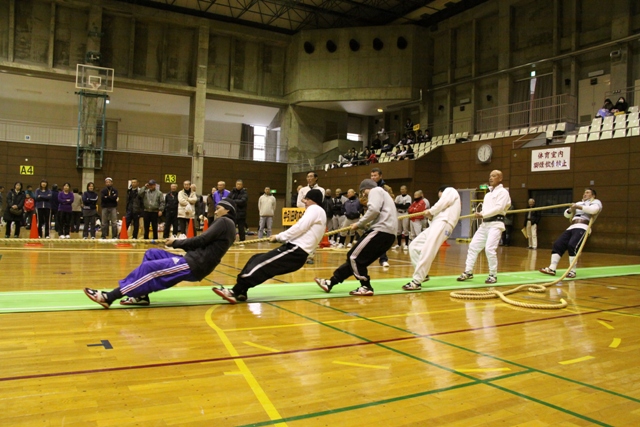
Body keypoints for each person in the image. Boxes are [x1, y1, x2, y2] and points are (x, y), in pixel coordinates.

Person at [84, 199, 238, 308]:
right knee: (152, 254)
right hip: (192, 259)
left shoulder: (224, 222)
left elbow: (200, 240)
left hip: (194, 264)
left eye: (219, 208)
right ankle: (141, 295)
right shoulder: (228, 225)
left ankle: (109, 297)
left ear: (228, 210)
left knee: (149, 269)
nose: (216, 210)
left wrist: (175, 243)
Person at [213, 190, 326, 304]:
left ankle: (235, 292)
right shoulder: (318, 212)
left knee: (261, 264)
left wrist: (279, 237)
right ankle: (242, 291)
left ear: (313, 200)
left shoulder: (315, 209)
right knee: (256, 259)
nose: (305, 202)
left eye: (307, 199)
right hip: (294, 250)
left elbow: (299, 227)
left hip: (296, 251)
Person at [315, 179, 397, 296]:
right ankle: (331, 282)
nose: (364, 195)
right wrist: (366, 225)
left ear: (365, 189)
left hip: (380, 232)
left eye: (363, 192)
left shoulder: (375, 190)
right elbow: (379, 215)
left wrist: (359, 224)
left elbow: (373, 210)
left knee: (353, 256)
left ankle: (366, 286)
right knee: (358, 261)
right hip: (387, 235)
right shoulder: (385, 196)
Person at [457, 170, 511, 284]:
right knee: (473, 246)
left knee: (489, 249)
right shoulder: (487, 194)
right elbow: (486, 210)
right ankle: (468, 271)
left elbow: (499, 208)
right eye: (490, 175)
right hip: (485, 224)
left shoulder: (503, 192)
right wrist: (480, 214)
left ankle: (493, 275)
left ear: (500, 178)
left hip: (496, 224)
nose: (491, 178)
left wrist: (482, 214)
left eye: (494, 176)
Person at [403, 186, 461, 290]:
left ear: (441, 192)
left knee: (427, 249)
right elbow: (433, 217)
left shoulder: (450, 191)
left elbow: (442, 203)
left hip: (444, 223)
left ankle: (416, 281)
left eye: (439, 194)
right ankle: (423, 275)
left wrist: (431, 211)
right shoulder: (443, 206)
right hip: (436, 224)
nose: (439, 197)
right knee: (414, 246)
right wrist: (429, 215)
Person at [539, 188, 602, 278]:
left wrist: (578, 207)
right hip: (572, 226)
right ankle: (552, 268)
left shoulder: (595, 202)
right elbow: (566, 214)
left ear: (593, 195)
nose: (584, 194)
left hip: (583, 226)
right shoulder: (578, 203)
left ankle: (572, 271)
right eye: (584, 192)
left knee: (572, 245)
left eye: (587, 193)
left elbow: (593, 210)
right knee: (558, 244)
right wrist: (570, 210)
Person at [296, 172, 325, 264]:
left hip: (315, 215)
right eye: (307, 176)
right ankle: (301, 255)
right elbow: (299, 203)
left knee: (313, 235)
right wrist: (307, 202)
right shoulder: (302, 190)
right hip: (304, 214)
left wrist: (305, 200)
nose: (309, 178)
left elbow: (319, 202)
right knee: (301, 235)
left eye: (311, 176)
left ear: (316, 178)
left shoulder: (321, 190)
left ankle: (311, 256)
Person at [371, 168, 390, 267]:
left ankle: (383, 259)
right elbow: (363, 200)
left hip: (383, 216)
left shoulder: (386, 188)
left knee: (382, 238)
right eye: (372, 176)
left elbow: (390, 200)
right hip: (371, 214)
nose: (373, 177)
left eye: (375, 175)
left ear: (380, 176)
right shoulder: (368, 186)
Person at [393, 185, 411, 251]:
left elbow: (406, 206)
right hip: (398, 213)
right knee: (398, 230)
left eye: (403, 189)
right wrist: (400, 205)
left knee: (405, 229)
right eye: (401, 189)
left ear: (406, 190)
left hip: (405, 213)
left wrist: (399, 205)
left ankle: (406, 244)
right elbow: (395, 204)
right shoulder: (398, 197)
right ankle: (398, 244)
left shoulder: (408, 197)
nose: (402, 190)